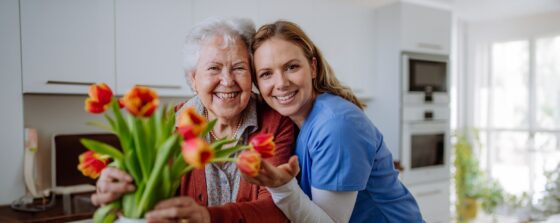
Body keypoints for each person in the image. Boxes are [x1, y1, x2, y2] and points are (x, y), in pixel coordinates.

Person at [92, 17, 295, 223]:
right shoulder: (169, 125)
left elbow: (277, 208)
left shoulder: (275, 123)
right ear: (193, 79)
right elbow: (143, 188)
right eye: (214, 68)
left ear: (251, 75)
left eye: (239, 68)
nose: (227, 80)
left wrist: (206, 217)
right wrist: (117, 185)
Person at [243, 20, 424, 222]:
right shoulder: (296, 122)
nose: (281, 83)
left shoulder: (336, 126)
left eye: (291, 67)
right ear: (257, 84)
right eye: (266, 74)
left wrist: (281, 187)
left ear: (312, 67)